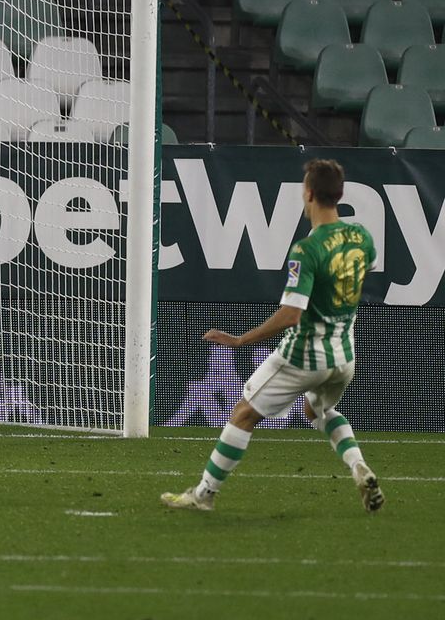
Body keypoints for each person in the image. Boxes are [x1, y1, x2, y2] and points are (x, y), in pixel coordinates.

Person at [162, 159, 382, 513]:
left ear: (308, 193)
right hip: (344, 356)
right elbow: (364, 267)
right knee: (318, 409)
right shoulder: (362, 237)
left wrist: (240, 341)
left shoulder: (307, 250)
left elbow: (291, 315)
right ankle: (358, 465)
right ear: (339, 195)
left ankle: (203, 495)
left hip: (306, 356)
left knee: (243, 414)